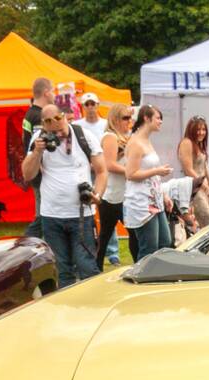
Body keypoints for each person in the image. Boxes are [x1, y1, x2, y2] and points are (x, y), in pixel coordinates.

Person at [21, 103, 107, 287]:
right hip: (51, 214)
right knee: (62, 268)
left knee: (86, 265)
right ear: (43, 124)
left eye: (58, 118)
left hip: (81, 214)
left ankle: (94, 305)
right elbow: (27, 174)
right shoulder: (39, 139)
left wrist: (97, 195)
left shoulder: (84, 135)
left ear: (65, 116)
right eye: (48, 121)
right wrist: (37, 151)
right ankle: (67, 309)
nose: (55, 124)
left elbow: (101, 171)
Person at [123, 105, 174, 258]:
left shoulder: (147, 141)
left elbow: (153, 174)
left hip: (155, 200)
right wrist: (157, 171)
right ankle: (142, 277)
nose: (160, 122)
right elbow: (130, 174)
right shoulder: (136, 143)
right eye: (158, 118)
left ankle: (157, 276)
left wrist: (164, 195)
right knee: (148, 248)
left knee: (165, 241)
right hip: (141, 202)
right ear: (146, 118)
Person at [96, 103, 137, 269]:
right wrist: (131, 172)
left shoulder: (124, 136)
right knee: (128, 233)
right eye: (125, 117)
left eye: (130, 117)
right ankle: (96, 266)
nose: (129, 121)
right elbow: (110, 165)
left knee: (113, 234)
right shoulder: (110, 137)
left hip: (121, 194)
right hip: (113, 196)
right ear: (115, 119)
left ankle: (96, 266)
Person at [21, 78, 55, 239]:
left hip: (37, 172)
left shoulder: (29, 113)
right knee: (44, 216)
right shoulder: (38, 116)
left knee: (43, 214)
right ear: (47, 92)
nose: (55, 95)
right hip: (42, 174)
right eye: (53, 91)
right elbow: (40, 145)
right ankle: (28, 241)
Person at [177, 116, 209, 228]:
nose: (201, 132)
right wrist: (204, 186)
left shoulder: (198, 144)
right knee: (207, 221)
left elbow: (204, 167)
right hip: (195, 190)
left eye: (203, 129)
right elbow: (188, 170)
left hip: (204, 189)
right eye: (198, 129)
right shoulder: (186, 142)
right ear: (191, 129)